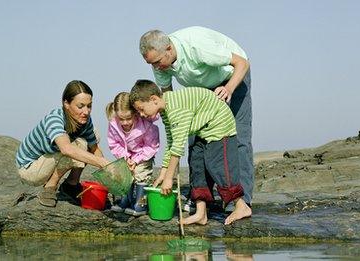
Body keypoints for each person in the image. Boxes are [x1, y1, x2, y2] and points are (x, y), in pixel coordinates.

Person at [139, 26, 254, 210]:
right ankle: (202, 200)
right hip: (201, 90)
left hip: (231, 78)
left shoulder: (197, 46)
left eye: (158, 62)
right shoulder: (160, 63)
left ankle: (242, 201)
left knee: (237, 138)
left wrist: (229, 89)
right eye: (151, 64)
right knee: (196, 140)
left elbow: (242, 63)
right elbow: (170, 103)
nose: (156, 67)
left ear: (168, 48)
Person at [129, 79, 251, 225]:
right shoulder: (164, 110)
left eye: (142, 109)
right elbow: (171, 141)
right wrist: (163, 173)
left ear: (154, 99)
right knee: (196, 164)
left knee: (217, 165)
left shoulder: (175, 108)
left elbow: (178, 147)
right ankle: (201, 213)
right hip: (202, 129)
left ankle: (241, 205)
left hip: (219, 125)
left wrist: (169, 179)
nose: (141, 114)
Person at [16, 80, 109, 207]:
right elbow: (66, 149)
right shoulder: (55, 119)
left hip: (49, 159)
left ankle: (71, 185)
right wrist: (101, 163)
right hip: (30, 168)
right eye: (80, 106)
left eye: (89, 106)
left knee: (92, 136)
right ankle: (49, 188)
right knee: (77, 145)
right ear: (66, 103)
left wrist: (111, 170)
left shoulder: (85, 121)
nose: (86, 111)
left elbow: (94, 149)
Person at [105, 92, 159, 216]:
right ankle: (126, 200)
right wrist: (125, 157)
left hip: (143, 155)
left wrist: (136, 160)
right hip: (126, 156)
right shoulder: (114, 124)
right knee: (125, 174)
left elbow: (151, 146)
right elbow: (114, 143)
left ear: (135, 113)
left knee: (141, 174)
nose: (124, 122)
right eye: (121, 119)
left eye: (128, 118)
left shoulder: (145, 125)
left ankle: (142, 203)